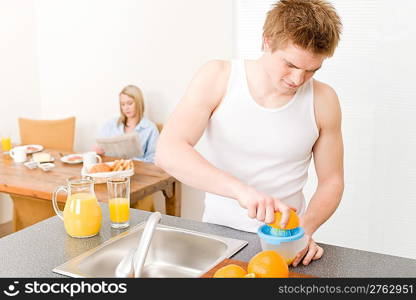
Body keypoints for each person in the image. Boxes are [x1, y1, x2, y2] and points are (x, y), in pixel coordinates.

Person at [155, 0, 344, 267]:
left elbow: (332, 181)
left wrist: (304, 230)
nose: (298, 79)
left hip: (286, 242)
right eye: (290, 64)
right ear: (267, 41)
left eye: (312, 70)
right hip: (218, 238)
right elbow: (168, 151)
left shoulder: (324, 100)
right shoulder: (219, 77)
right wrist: (241, 192)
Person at [94, 85, 159, 163]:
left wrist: (129, 161)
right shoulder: (110, 125)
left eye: (130, 103)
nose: (126, 108)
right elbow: (101, 151)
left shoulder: (150, 128)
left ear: (139, 103)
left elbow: (153, 159)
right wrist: (99, 152)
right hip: (114, 170)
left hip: (139, 171)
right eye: (123, 104)